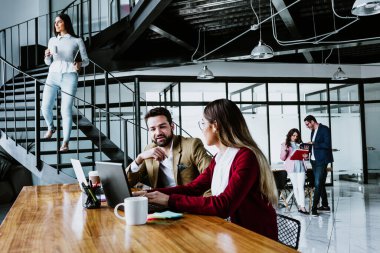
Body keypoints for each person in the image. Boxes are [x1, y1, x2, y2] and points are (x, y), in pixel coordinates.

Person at [135, 99, 278, 240]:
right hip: (231, 233)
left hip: (256, 239)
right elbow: (194, 188)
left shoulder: (246, 156)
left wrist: (169, 200)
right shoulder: (219, 157)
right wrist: (149, 193)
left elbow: (224, 205)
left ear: (215, 126)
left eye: (203, 123)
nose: (202, 129)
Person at [127, 107, 211, 189]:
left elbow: (211, 176)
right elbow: (129, 182)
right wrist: (139, 158)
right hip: (161, 201)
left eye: (162, 126)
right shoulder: (149, 150)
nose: (158, 132)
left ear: (172, 126)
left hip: (188, 200)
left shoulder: (192, 145)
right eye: (152, 129)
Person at [42, 13, 89, 152]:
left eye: (59, 22)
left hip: (70, 76)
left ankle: (65, 142)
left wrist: (79, 64)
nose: (56, 24)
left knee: (65, 110)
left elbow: (86, 60)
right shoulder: (52, 40)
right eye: (55, 22)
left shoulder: (76, 40)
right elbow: (48, 62)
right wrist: (46, 56)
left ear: (66, 23)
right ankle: (51, 127)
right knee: (45, 107)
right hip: (53, 75)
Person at [304, 115, 333, 216]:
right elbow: (313, 146)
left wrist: (313, 143)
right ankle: (325, 205)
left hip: (322, 160)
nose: (307, 126)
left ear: (312, 121)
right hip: (314, 160)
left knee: (317, 183)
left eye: (308, 124)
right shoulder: (312, 131)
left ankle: (314, 208)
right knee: (320, 182)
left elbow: (327, 144)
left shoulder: (325, 129)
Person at [280, 128, 308, 214]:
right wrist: (285, 150)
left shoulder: (300, 144)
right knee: (295, 187)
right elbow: (282, 158)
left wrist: (305, 156)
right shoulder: (285, 144)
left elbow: (305, 157)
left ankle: (302, 206)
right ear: (290, 135)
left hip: (301, 167)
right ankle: (300, 206)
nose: (295, 137)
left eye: (296, 136)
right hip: (292, 168)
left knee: (301, 187)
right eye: (293, 135)